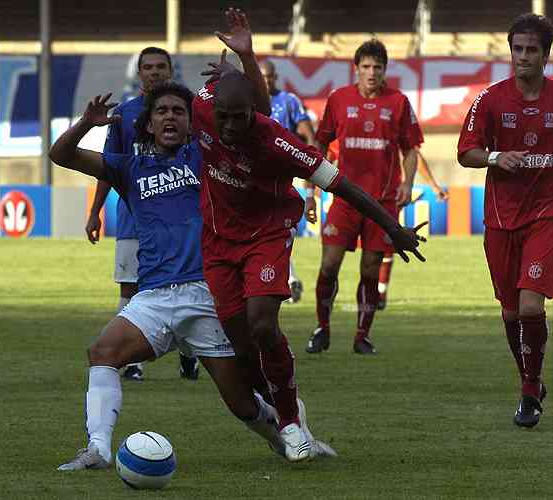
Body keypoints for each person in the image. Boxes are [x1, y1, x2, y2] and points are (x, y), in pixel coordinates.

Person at [51, 83, 334, 471]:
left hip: (207, 293)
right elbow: (60, 154)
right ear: (148, 124)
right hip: (152, 297)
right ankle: (98, 449)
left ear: (192, 123)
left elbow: (260, 116)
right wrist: (86, 122)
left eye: (179, 111)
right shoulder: (129, 167)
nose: (170, 116)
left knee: (242, 404)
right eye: (162, 111)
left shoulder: (208, 159)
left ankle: (292, 435)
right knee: (102, 352)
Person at [193, 13, 426, 461]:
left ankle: (291, 421)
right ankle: (285, 404)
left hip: (266, 234)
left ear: (253, 115)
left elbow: (345, 186)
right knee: (240, 343)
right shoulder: (204, 108)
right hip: (218, 240)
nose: (228, 128)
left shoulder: (277, 141)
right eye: (222, 118)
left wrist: (394, 227)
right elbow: (221, 99)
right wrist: (238, 63)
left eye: (238, 119)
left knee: (263, 324)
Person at [457, 13, 552, 428]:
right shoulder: (490, 99)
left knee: (531, 306)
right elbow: (466, 152)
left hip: (546, 215)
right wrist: (497, 157)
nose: (523, 57)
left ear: (546, 55)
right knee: (511, 313)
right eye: (518, 49)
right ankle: (529, 377)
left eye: (532, 50)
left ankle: (530, 389)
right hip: (500, 219)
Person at [84, 46, 201, 382]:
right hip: (135, 217)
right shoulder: (123, 114)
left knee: (188, 281)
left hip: (181, 215)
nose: (154, 72)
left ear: (171, 70)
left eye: (160, 66)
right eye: (147, 67)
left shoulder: (186, 109)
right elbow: (108, 166)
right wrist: (95, 212)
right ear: (139, 73)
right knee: (130, 286)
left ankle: (190, 353)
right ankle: (132, 361)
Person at [303, 39, 424, 355]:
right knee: (329, 265)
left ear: (385, 70)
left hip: (382, 201)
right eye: (366, 67)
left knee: (371, 269)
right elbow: (318, 147)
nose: (371, 73)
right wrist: (310, 192)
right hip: (344, 198)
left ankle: (361, 335)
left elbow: (411, 149)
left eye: (377, 67)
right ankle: (322, 328)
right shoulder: (339, 100)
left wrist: (408, 183)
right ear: (356, 69)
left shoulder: (398, 102)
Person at [260, 59, 316, 303]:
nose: (266, 81)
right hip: (251, 178)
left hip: (281, 179)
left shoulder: (289, 101)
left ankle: (287, 279)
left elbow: (309, 138)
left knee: (279, 230)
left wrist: (308, 172)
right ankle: (285, 279)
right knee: (265, 232)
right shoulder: (245, 100)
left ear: (275, 77)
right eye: (261, 76)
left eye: (269, 77)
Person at [376, 149, 448, 310]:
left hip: (389, 194)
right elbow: (329, 150)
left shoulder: (394, 127)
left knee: (384, 243)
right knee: (334, 256)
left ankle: (379, 293)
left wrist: (433, 186)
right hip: (356, 194)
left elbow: (412, 152)